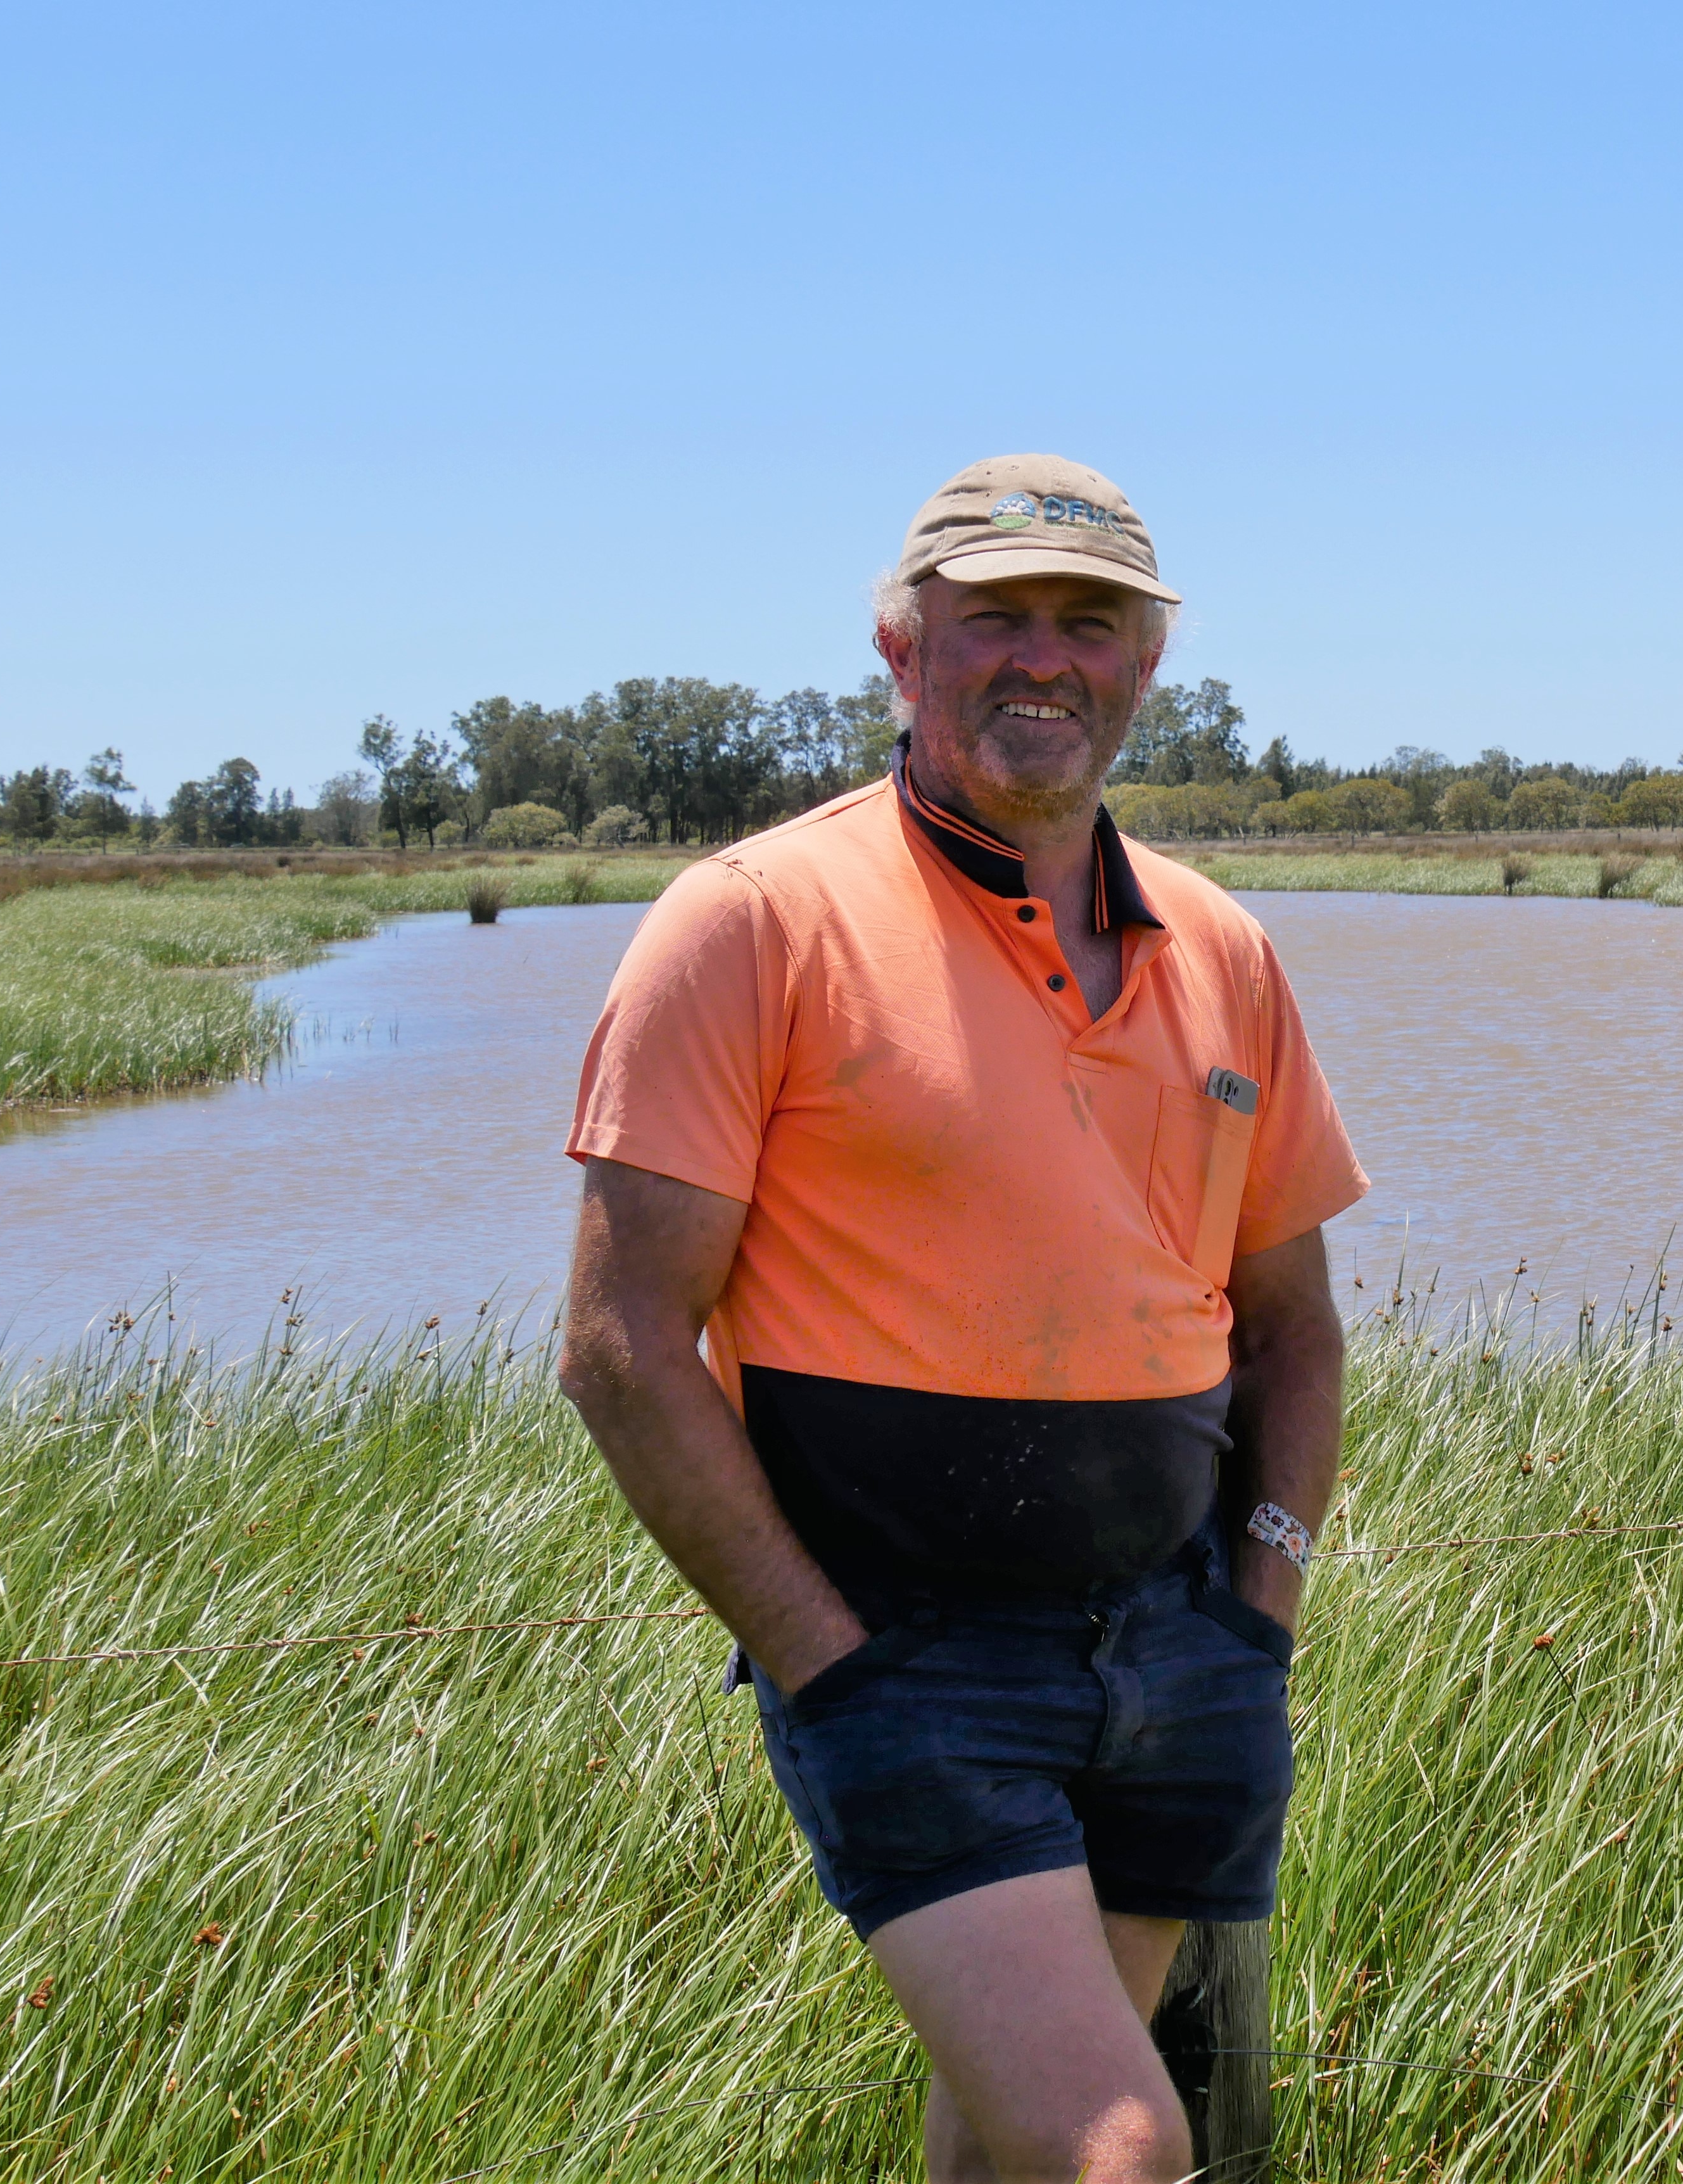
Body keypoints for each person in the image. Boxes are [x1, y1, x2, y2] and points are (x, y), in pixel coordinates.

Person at [557, 454, 1366, 2184]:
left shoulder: (1221, 948)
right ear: (899, 643)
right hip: (908, 1654)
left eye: (1091, 624)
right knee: (1116, 2147)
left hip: (1181, 1645)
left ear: (1149, 665)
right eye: (993, 616)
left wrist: (1262, 1600)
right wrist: (823, 1658)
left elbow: (1294, 1324)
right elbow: (621, 1342)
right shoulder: (756, 919)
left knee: (1006, 2151)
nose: (1042, 659)